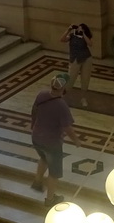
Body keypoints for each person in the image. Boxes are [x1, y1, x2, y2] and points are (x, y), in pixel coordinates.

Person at [30, 74, 80, 207]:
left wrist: (32, 125)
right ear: (64, 88)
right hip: (51, 143)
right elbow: (67, 127)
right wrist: (76, 140)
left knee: (44, 158)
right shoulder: (61, 105)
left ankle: (37, 181)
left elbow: (34, 110)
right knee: (54, 172)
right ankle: (50, 199)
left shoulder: (42, 95)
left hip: (36, 137)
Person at [60, 23, 93, 107]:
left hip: (86, 58)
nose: (79, 29)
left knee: (85, 78)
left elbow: (90, 44)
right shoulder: (72, 36)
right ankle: (63, 96)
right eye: (78, 28)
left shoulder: (85, 36)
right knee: (70, 78)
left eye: (81, 28)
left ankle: (83, 98)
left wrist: (84, 34)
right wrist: (68, 30)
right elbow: (62, 39)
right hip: (74, 59)